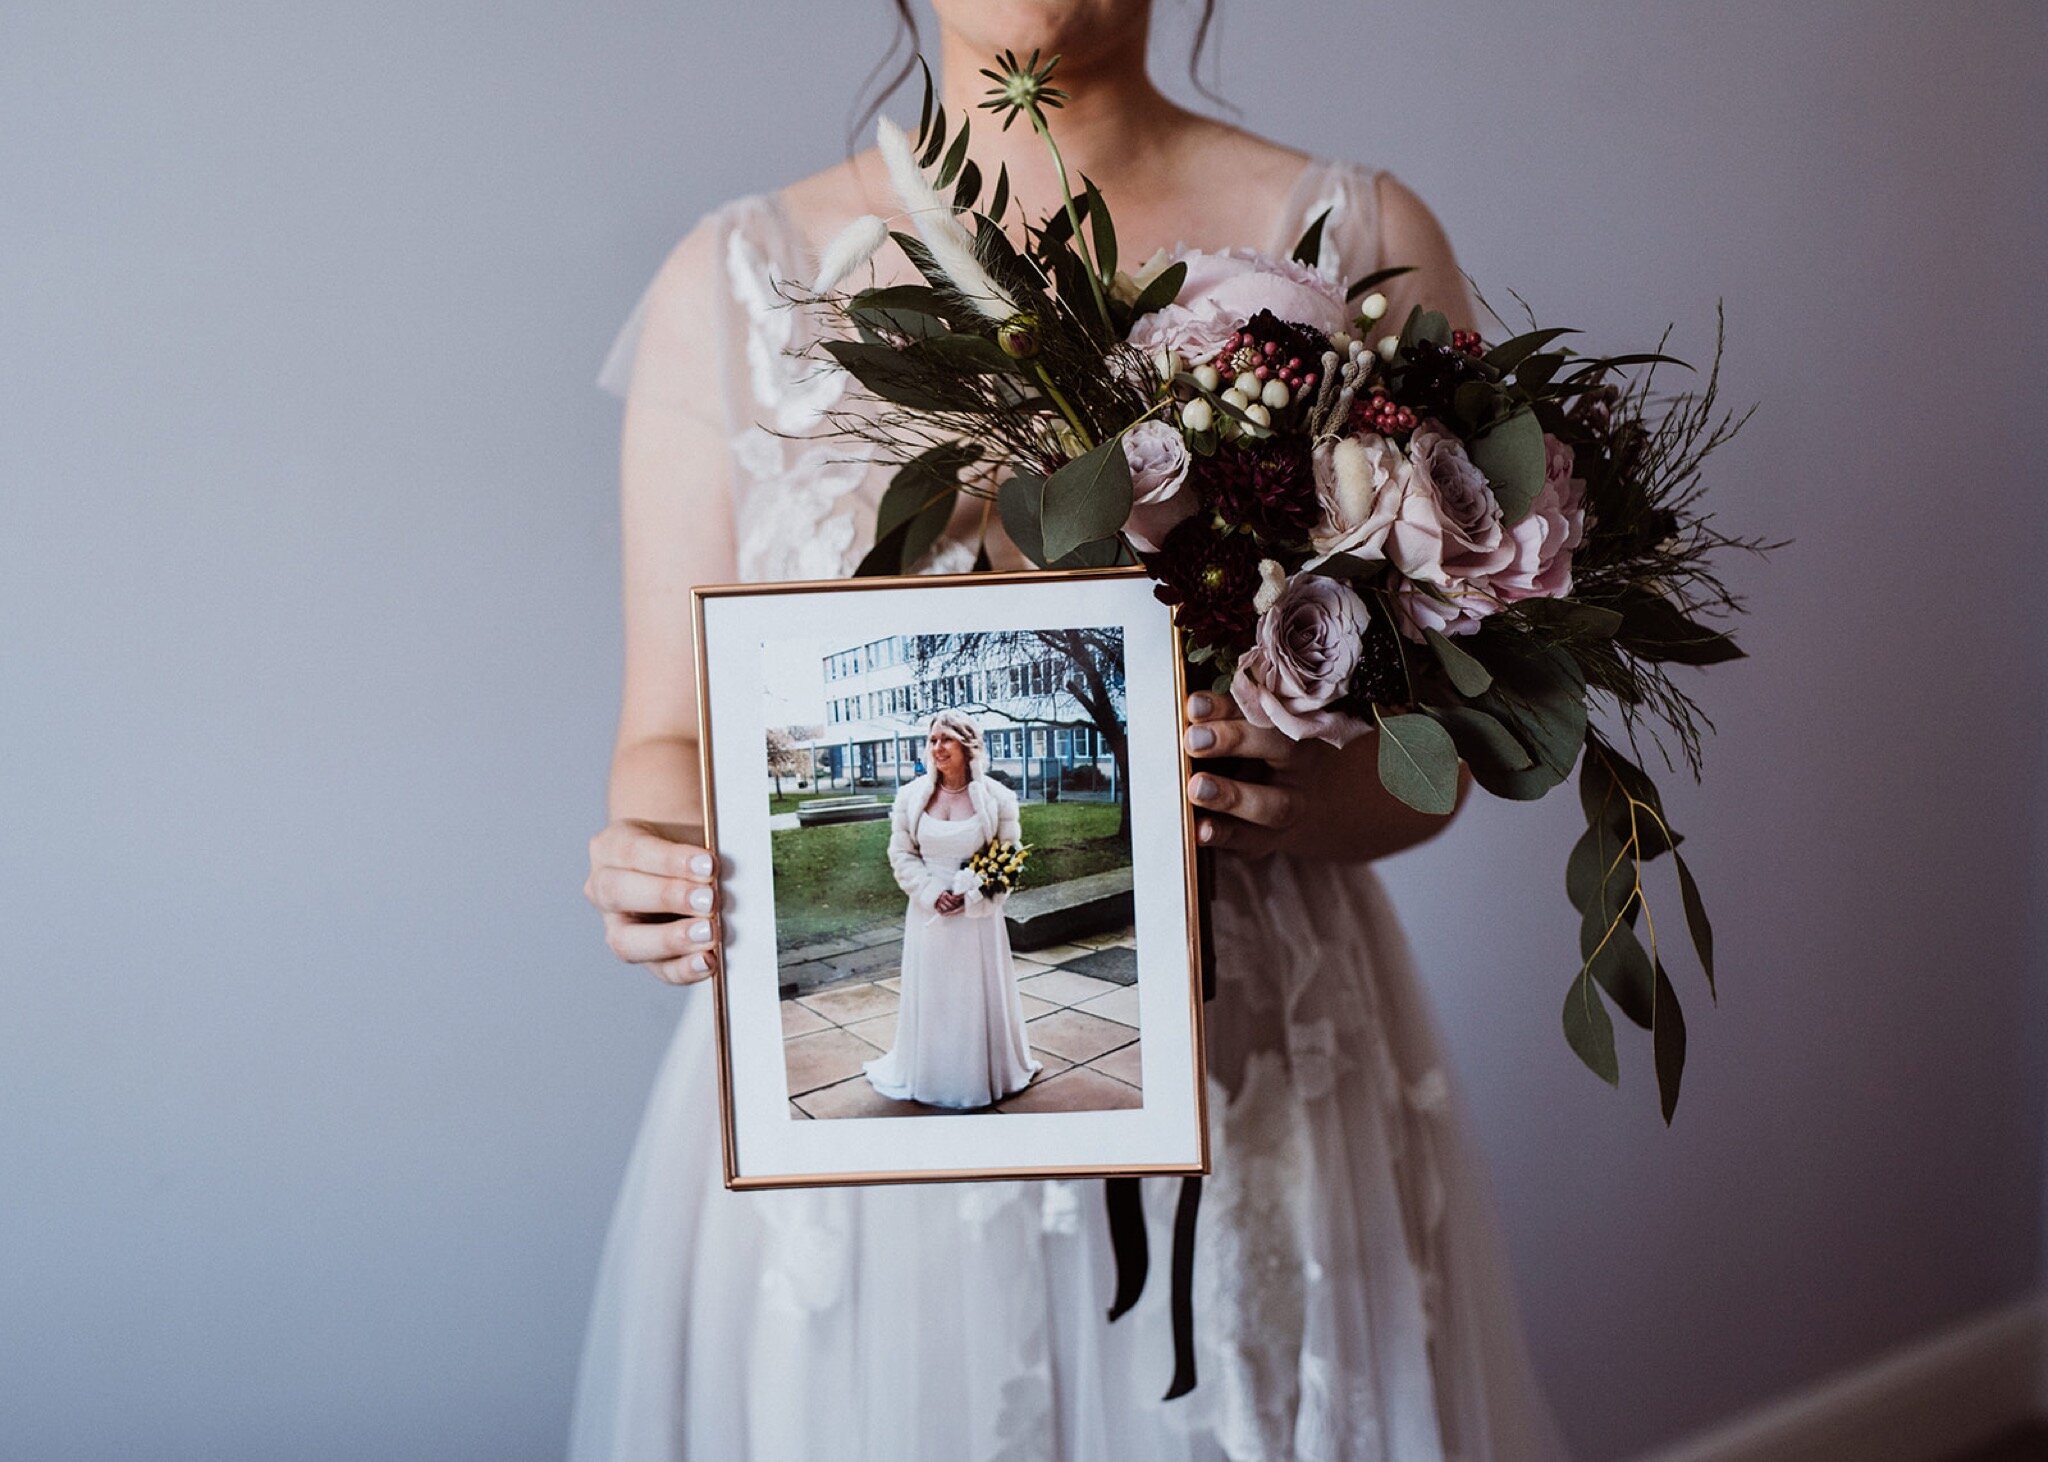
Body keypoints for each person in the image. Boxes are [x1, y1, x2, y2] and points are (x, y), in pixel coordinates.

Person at [576, 1, 1573, 1456]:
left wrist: (1301, 789)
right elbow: (666, 739)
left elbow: (1447, 766)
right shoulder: (734, 280)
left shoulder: (1348, 235)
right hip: (867, 1152)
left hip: (1262, 1075)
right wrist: (660, 867)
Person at [863, 711, 1041, 1108]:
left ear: (967, 745)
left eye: (946, 740)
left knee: (971, 995)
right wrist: (929, 892)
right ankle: (930, 1073)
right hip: (928, 915)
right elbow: (901, 853)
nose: (937, 748)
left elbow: (1008, 857)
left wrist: (975, 894)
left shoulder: (997, 798)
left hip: (976, 918)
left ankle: (981, 1074)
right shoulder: (910, 797)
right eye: (932, 740)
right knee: (935, 996)